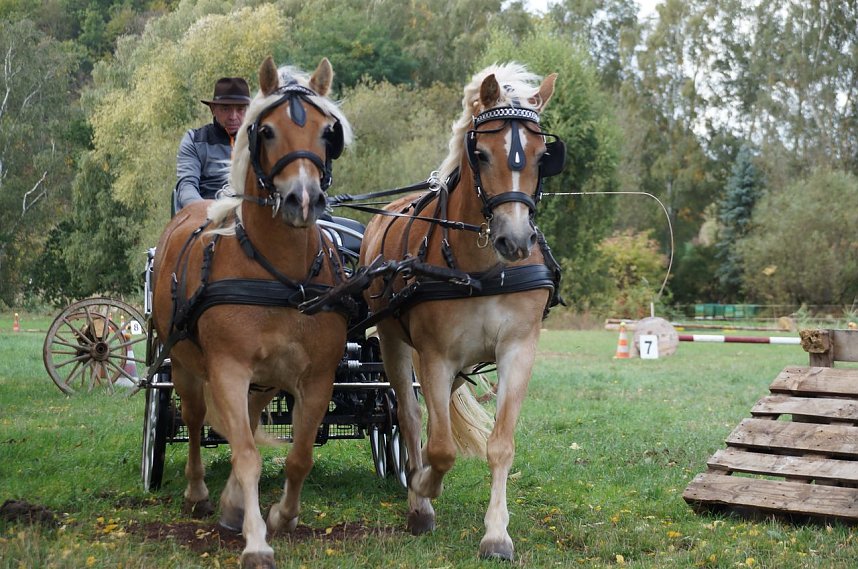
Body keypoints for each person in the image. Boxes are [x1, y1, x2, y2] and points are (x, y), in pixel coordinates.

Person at [174, 77, 251, 210]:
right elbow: (187, 185)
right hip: (206, 214)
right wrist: (205, 211)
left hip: (249, 213)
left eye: (240, 109)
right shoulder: (194, 140)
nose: (233, 116)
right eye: (225, 109)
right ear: (213, 109)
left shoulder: (260, 140)